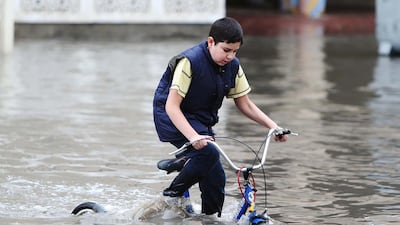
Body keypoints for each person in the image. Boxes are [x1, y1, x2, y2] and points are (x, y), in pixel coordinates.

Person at [153, 17, 288, 218]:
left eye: (235, 51)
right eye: (226, 50)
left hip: (200, 122)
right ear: (210, 42)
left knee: (216, 178)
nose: (230, 56)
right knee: (208, 154)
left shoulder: (233, 66)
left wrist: (273, 126)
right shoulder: (189, 62)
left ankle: (210, 219)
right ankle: (171, 195)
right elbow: (172, 107)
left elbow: (245, 104)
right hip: (172, 117)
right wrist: (193, 137)